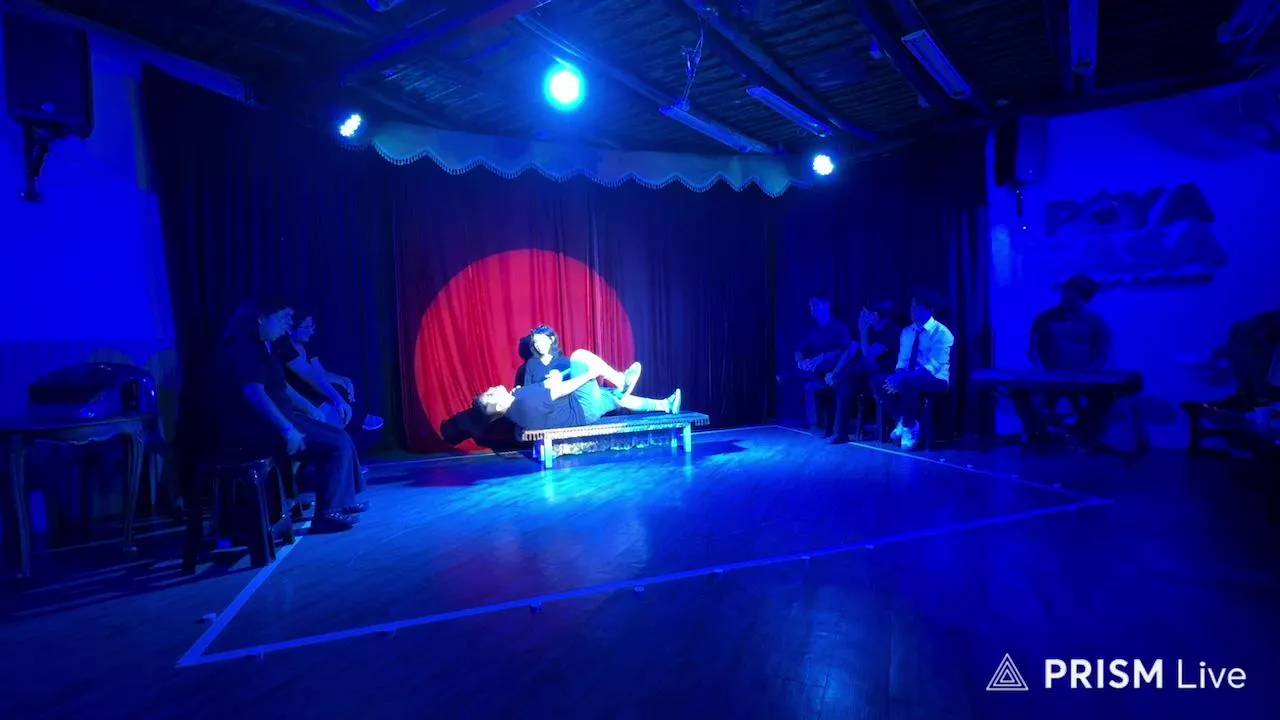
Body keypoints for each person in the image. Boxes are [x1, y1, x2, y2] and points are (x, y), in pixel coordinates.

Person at [213, 298, 366, 533]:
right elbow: (254, 393)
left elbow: (282, 387)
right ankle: (327, 513)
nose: (286, 323)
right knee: (336, 444)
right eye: (282, 318)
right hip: (262, 428)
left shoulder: (265, 346)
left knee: (338, 435)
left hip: (281, 418)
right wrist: (286, 428)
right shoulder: (246, 348)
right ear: (261, 319)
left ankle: (342, 503)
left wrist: (309, 409)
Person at [475, 349, 681, 431]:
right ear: (499, 406)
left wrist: (556, 377)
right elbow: (563, 390)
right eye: (491, 394)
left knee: (620, 398)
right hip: (582, 406)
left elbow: (548, 387)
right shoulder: (523, 405)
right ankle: (620, 379)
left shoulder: (517, 398)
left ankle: (666, 405)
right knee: (580, 356)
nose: (492, 388)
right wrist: (591, 374)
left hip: (582, 407)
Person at [1014, 275, 1111, 442]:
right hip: (1048, 378)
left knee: (1103, 400)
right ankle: (1037, 436)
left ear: (1086, 299)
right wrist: (1040, 369)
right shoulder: (1044, 319)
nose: (1068, 301)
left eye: (1074, 299)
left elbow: (1101, 355)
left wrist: (1087, 374)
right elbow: (1033, 350)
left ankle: (1084, 438)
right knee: (1021, 395)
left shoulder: (1096, 322)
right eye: (1066, 296)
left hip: (1082, 380)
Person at [276, 313, 384, 432]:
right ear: (290, 329)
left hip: (312, 386)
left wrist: (342, 380)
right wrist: (337, 398)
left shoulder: (307, 345)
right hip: (300, 392)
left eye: (312, 327)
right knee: (333, 402)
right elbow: (306, 374)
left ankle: (354, 418)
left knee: (344, 387)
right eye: (306, 328)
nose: (311, 331)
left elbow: (318, 373)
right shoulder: (283, 347)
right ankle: (355, 419)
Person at [874, 290, 954, 451]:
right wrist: (898, 377)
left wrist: (902, 378)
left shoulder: (942, 333)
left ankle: (908, 426)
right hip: (910, 377)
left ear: (930, 309)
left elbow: (932, 368)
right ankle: (906, 422)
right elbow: (902, 363)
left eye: (917, 306)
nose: (912, 310)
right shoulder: (906, 332)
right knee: (878, 380)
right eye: (911, 306)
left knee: (907, 382)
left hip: (936, 379)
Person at [825, 300, 900, 443]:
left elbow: (869, 357)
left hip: (885, 377)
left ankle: (840, 377)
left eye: (864, 313)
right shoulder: (871, 330)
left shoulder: (891, 330)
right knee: (846, 384)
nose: (860, 316)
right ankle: (841, 433)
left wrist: (863, 332)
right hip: (867, 377)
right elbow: (851, 350)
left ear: (874, 315)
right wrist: (835, 372)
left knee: (863, 368)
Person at [778, 293, 853, 434]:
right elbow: (799, 350)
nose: (812, 309)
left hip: (835, 369)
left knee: (812, 379)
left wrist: (822, 358)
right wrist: (800, 362)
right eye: (811, 307)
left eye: (816, 305)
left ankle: (824, 423)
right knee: (804, 375)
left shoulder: (840, 327)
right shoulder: (810, 329)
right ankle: (812, 422)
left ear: (827, 304)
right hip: (815, 369)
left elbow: (845, 351)